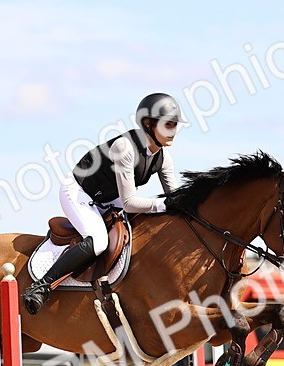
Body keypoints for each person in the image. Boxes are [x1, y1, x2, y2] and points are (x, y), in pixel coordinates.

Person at [21, 92, 185, 315]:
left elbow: (174, 197)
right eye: (168, 125)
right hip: (79, 192)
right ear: (148, 124)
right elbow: (129, 203)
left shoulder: (164, 158)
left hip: (110, 197)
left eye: (175, 125)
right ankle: (40, 287)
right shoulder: (125, 148)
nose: (173, 131)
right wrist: (164, 205)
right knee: (98, 241)